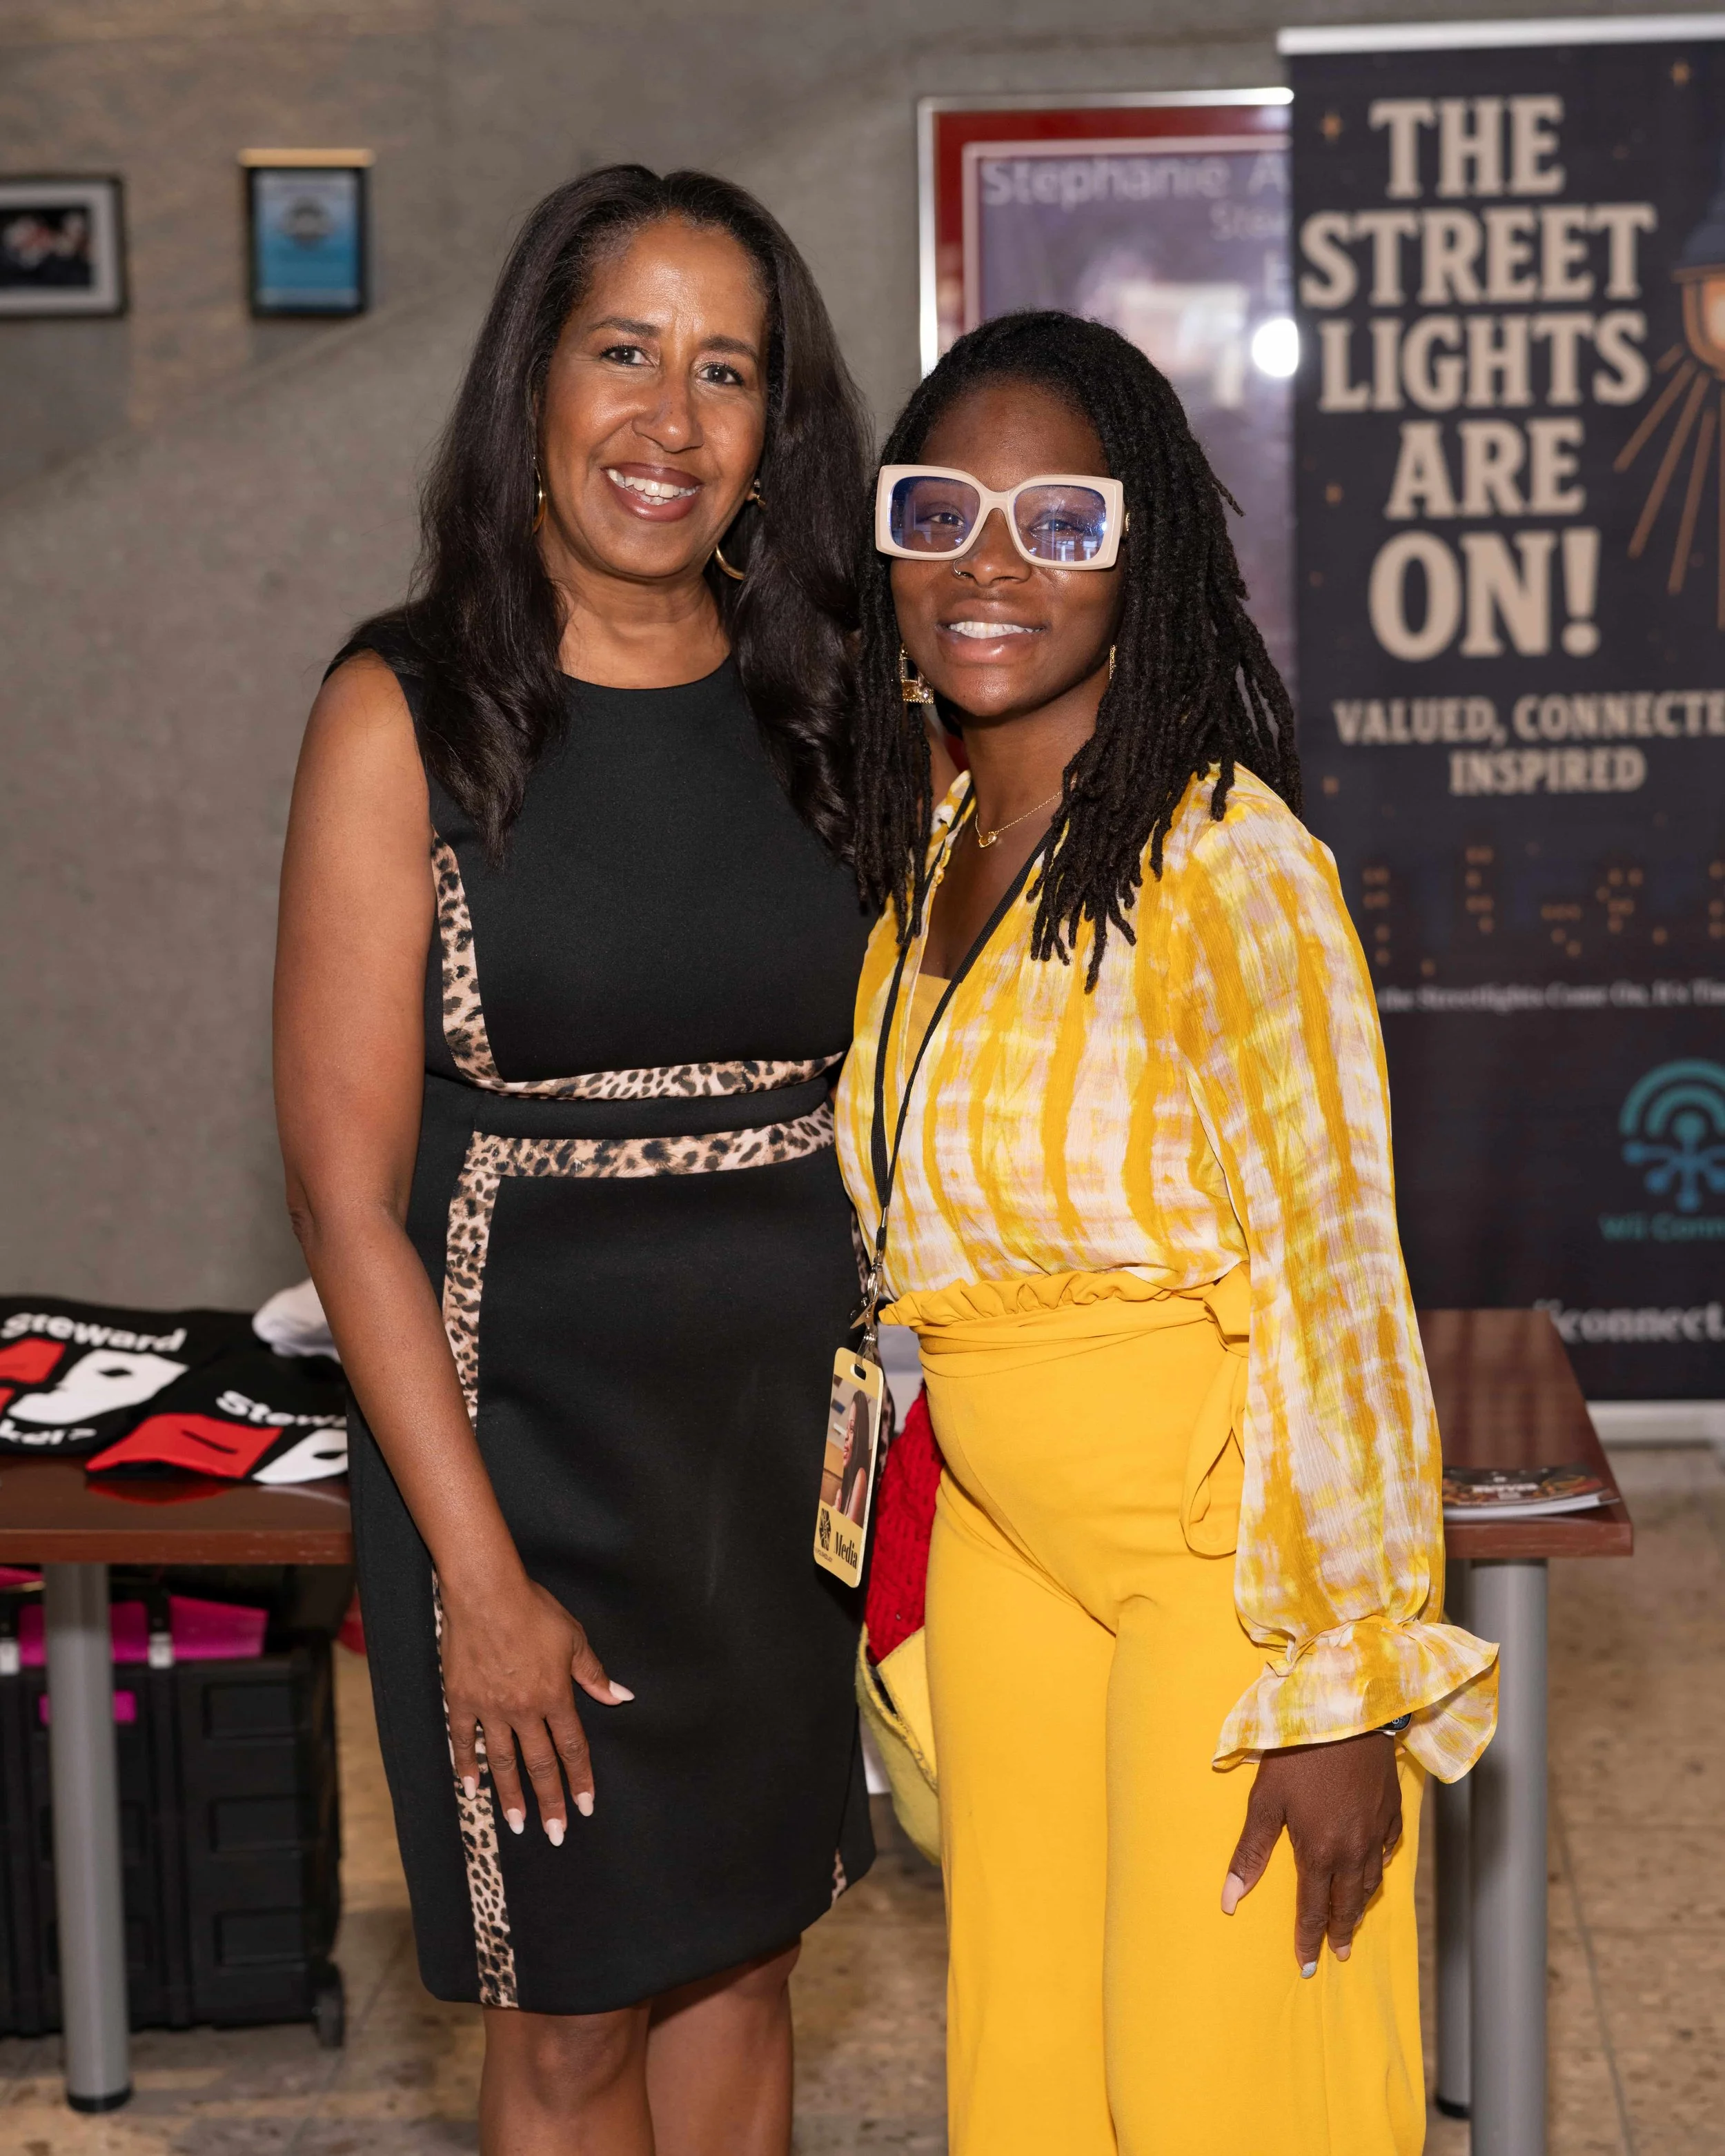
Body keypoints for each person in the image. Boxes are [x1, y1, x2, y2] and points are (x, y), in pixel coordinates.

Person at [835, 310, 1499, 2155]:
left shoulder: (1227, 861)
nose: (988, 563)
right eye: (940, 511)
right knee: (1030, 2058)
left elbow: (1336, 1283)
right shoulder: (932, 844)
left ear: (1147, 563)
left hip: (1217, 1552)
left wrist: (1341, 1688)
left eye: (1060, 521)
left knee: (1225, 2077)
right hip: (1003, 1535)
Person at [274, 166, 876, 2156]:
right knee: (568, 2025)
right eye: (624, 351)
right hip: (521, 1465)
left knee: (749, 1966)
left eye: (727, 371)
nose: (668, 422)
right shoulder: (406, 713)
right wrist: (479, 1578)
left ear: (774, 426)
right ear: (532, 376)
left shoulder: (830, 693)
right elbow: (343, 1193)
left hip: (776, 1470)